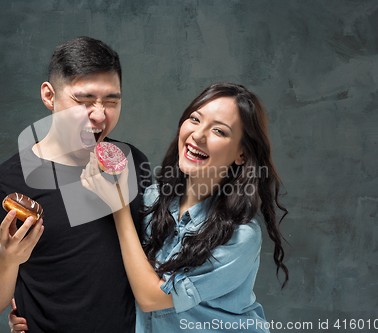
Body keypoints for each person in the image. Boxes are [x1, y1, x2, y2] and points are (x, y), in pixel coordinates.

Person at [78, 82, 289, 332]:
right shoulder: (153, 199)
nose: (198, 135)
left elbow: (151, 299)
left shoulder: (240, 236)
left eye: (219, 131)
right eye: (195, 119)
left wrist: (120, 208)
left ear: (241, 154)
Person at [0, 36, 151, 333]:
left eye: (111, 101)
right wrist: (8, 259)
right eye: (83, 101)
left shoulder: (132, 163)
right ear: (49, 96)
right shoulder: (6, 184)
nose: (99, 115)